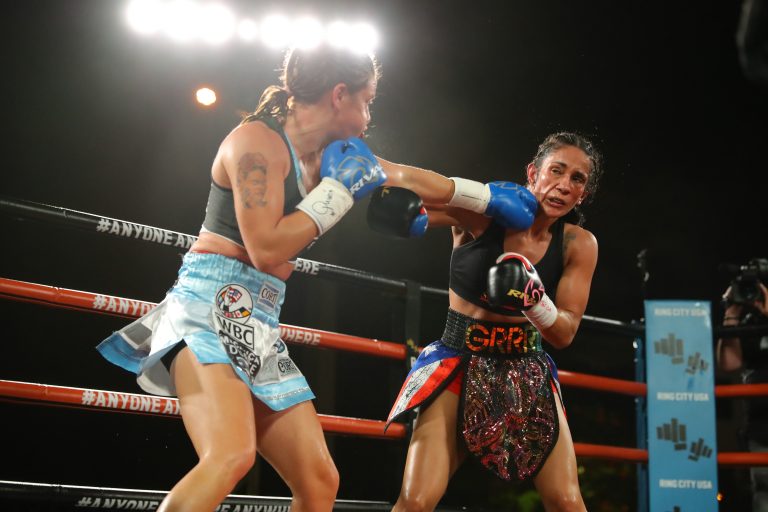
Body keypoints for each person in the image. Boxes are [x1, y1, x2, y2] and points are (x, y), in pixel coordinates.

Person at [95, 42, 538, 512]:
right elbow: (267, 248)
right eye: (367, 101)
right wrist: (337, 192)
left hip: (258, 319)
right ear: (339, 94)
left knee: (319, 480)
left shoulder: (332, 154)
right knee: (229, 456)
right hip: (207, 307)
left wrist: (484, 197)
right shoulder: (255, 143)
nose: (369, 116)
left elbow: (402, 175)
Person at [370, 132, 603, 511]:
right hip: (458, 362)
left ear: (583, 194)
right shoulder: (484, 215)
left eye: (577, 179)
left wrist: (534, 300)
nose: (564, 185)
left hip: (526, 369)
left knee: (566, 502)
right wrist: (373, 171)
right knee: (416, 500)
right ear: (533, 173)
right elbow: (430, 190)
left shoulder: (578, 244)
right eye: (557, 171)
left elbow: (565, 332)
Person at [717, 280, 768, 512]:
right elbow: (729, 363)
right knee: (763, 499)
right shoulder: (751, 324)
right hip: (760, 430)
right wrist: (732, 313)